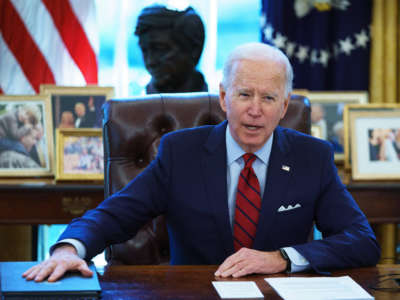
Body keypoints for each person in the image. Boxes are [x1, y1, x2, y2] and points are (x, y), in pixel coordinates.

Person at [23, 42, 380, 282]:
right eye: (244, 94)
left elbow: (361, 240)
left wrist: (283, 258)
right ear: (224, 97)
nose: (255, 109)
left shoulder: (311, 157)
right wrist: (70, 249)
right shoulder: (181, 153)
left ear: (284, 107)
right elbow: (114, 214)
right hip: (195, 292)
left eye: (269, 97)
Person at [135, 5, 208, 94]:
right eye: (144, 51)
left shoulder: (222, 106)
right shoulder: (131, 106)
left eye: (160, 49)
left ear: (194, 50)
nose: (150, 62)